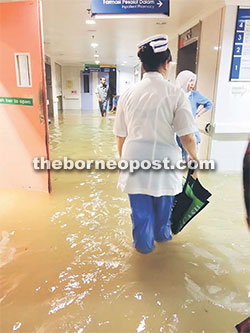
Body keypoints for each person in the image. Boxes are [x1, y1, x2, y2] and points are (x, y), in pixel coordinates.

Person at [113, 34, 198, 254]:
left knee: (141, 220)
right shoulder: (176, 94)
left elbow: (120, 135)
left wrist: (125, 162)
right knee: (163, 220)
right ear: (167, 63)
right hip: (165, 165)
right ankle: (163, 261)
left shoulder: (128, 94)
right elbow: (187, 136)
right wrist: (195, 161)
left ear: (143, 64)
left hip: (134, 164)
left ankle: (144, 258)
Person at [176, 70, 213, 161]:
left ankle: (192, 175)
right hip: (179, 132)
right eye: (190, 81)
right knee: (182, 158)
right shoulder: (176, 95)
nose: (192, 84)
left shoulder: (195, 95)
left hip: (191, 131)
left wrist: (198, 114)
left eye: (193, 81)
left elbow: (209, 104)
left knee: (190, 159)